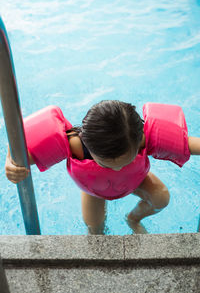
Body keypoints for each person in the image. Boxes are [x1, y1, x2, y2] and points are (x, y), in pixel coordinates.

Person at [4, 100, 200, 234]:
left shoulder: (142, 139)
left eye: (125, 162)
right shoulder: (75, 146)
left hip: (136, 181)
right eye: (105, 163)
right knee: (95, 229)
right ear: (89, 145)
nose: (116, 169)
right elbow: (19, 151)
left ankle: (132, 219)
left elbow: (189, 144)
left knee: (161, 198)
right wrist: (11, 162)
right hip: (94, 191)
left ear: (139, 140)